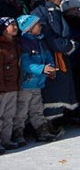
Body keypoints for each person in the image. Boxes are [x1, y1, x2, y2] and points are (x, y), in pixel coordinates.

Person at [32, 0, 78, 124]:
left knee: (61, 89)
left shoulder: (55, 11)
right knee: (51, 91)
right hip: (49, 55)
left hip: (60, 55)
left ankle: (59, 118)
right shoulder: (40, 12)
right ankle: (49, 122)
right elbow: (49, 36)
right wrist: (67, 46)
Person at [13, 15, 58, 145]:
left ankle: (41, 131)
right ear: (29, 28)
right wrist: (42, 69)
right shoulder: (24, 43)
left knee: (37, 109)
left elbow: (48, 57)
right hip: (26, 84)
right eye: (38, 24)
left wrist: (51, 69)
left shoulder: (40, 41)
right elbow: (25, 64)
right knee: (21, 110)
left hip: (38, 83)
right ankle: (18, 132)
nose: (40, 26)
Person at [0, 18, 21, 152]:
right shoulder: (1, 47)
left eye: (15, 24)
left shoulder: (15, 44)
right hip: (2, 87)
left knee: (9, 115)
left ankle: (6, 139)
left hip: (13, 85)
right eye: (11, 25)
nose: (15, 27)